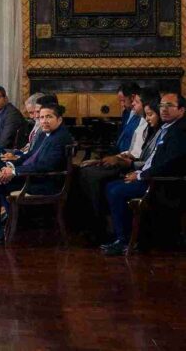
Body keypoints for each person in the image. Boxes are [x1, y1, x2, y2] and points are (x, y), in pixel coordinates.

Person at [0, 103, 75, 244]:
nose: (44, 121)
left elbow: (46, 166)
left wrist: (13, 171)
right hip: (30, 176)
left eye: (49, 117)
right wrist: (11, 165)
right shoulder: (45, 134)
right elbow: (30, 155)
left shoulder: (60, 138)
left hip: (43, 183)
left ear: (59, 119)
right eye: (41, 117)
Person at [102, 92, 186, 256]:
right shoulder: (167, 128)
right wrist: (139, 171)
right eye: (162, 106)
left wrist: (140, 175)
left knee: (115, 190)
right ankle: (123, 235)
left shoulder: (180, 132)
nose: (164, 110)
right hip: (152, 178)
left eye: (170, 106)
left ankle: (125, 240)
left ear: (182, 110)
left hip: (165, 185)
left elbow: (168, 165)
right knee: (111, 185)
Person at [77, 97, 160, 243]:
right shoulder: (145, 125)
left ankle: (108, 232)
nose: (132, 104)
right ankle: (98, 227)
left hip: (139, 170)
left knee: (97, 179)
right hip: (132, 163)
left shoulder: (158, 130)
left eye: (137, 101)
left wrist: (129, 164)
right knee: (85, 171)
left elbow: (148, 159)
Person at [115, 82, 142, 153]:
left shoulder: (142, 115)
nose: (122, 104)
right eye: (120, 101)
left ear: (132, 97)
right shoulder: (126, 113)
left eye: (123, 101)